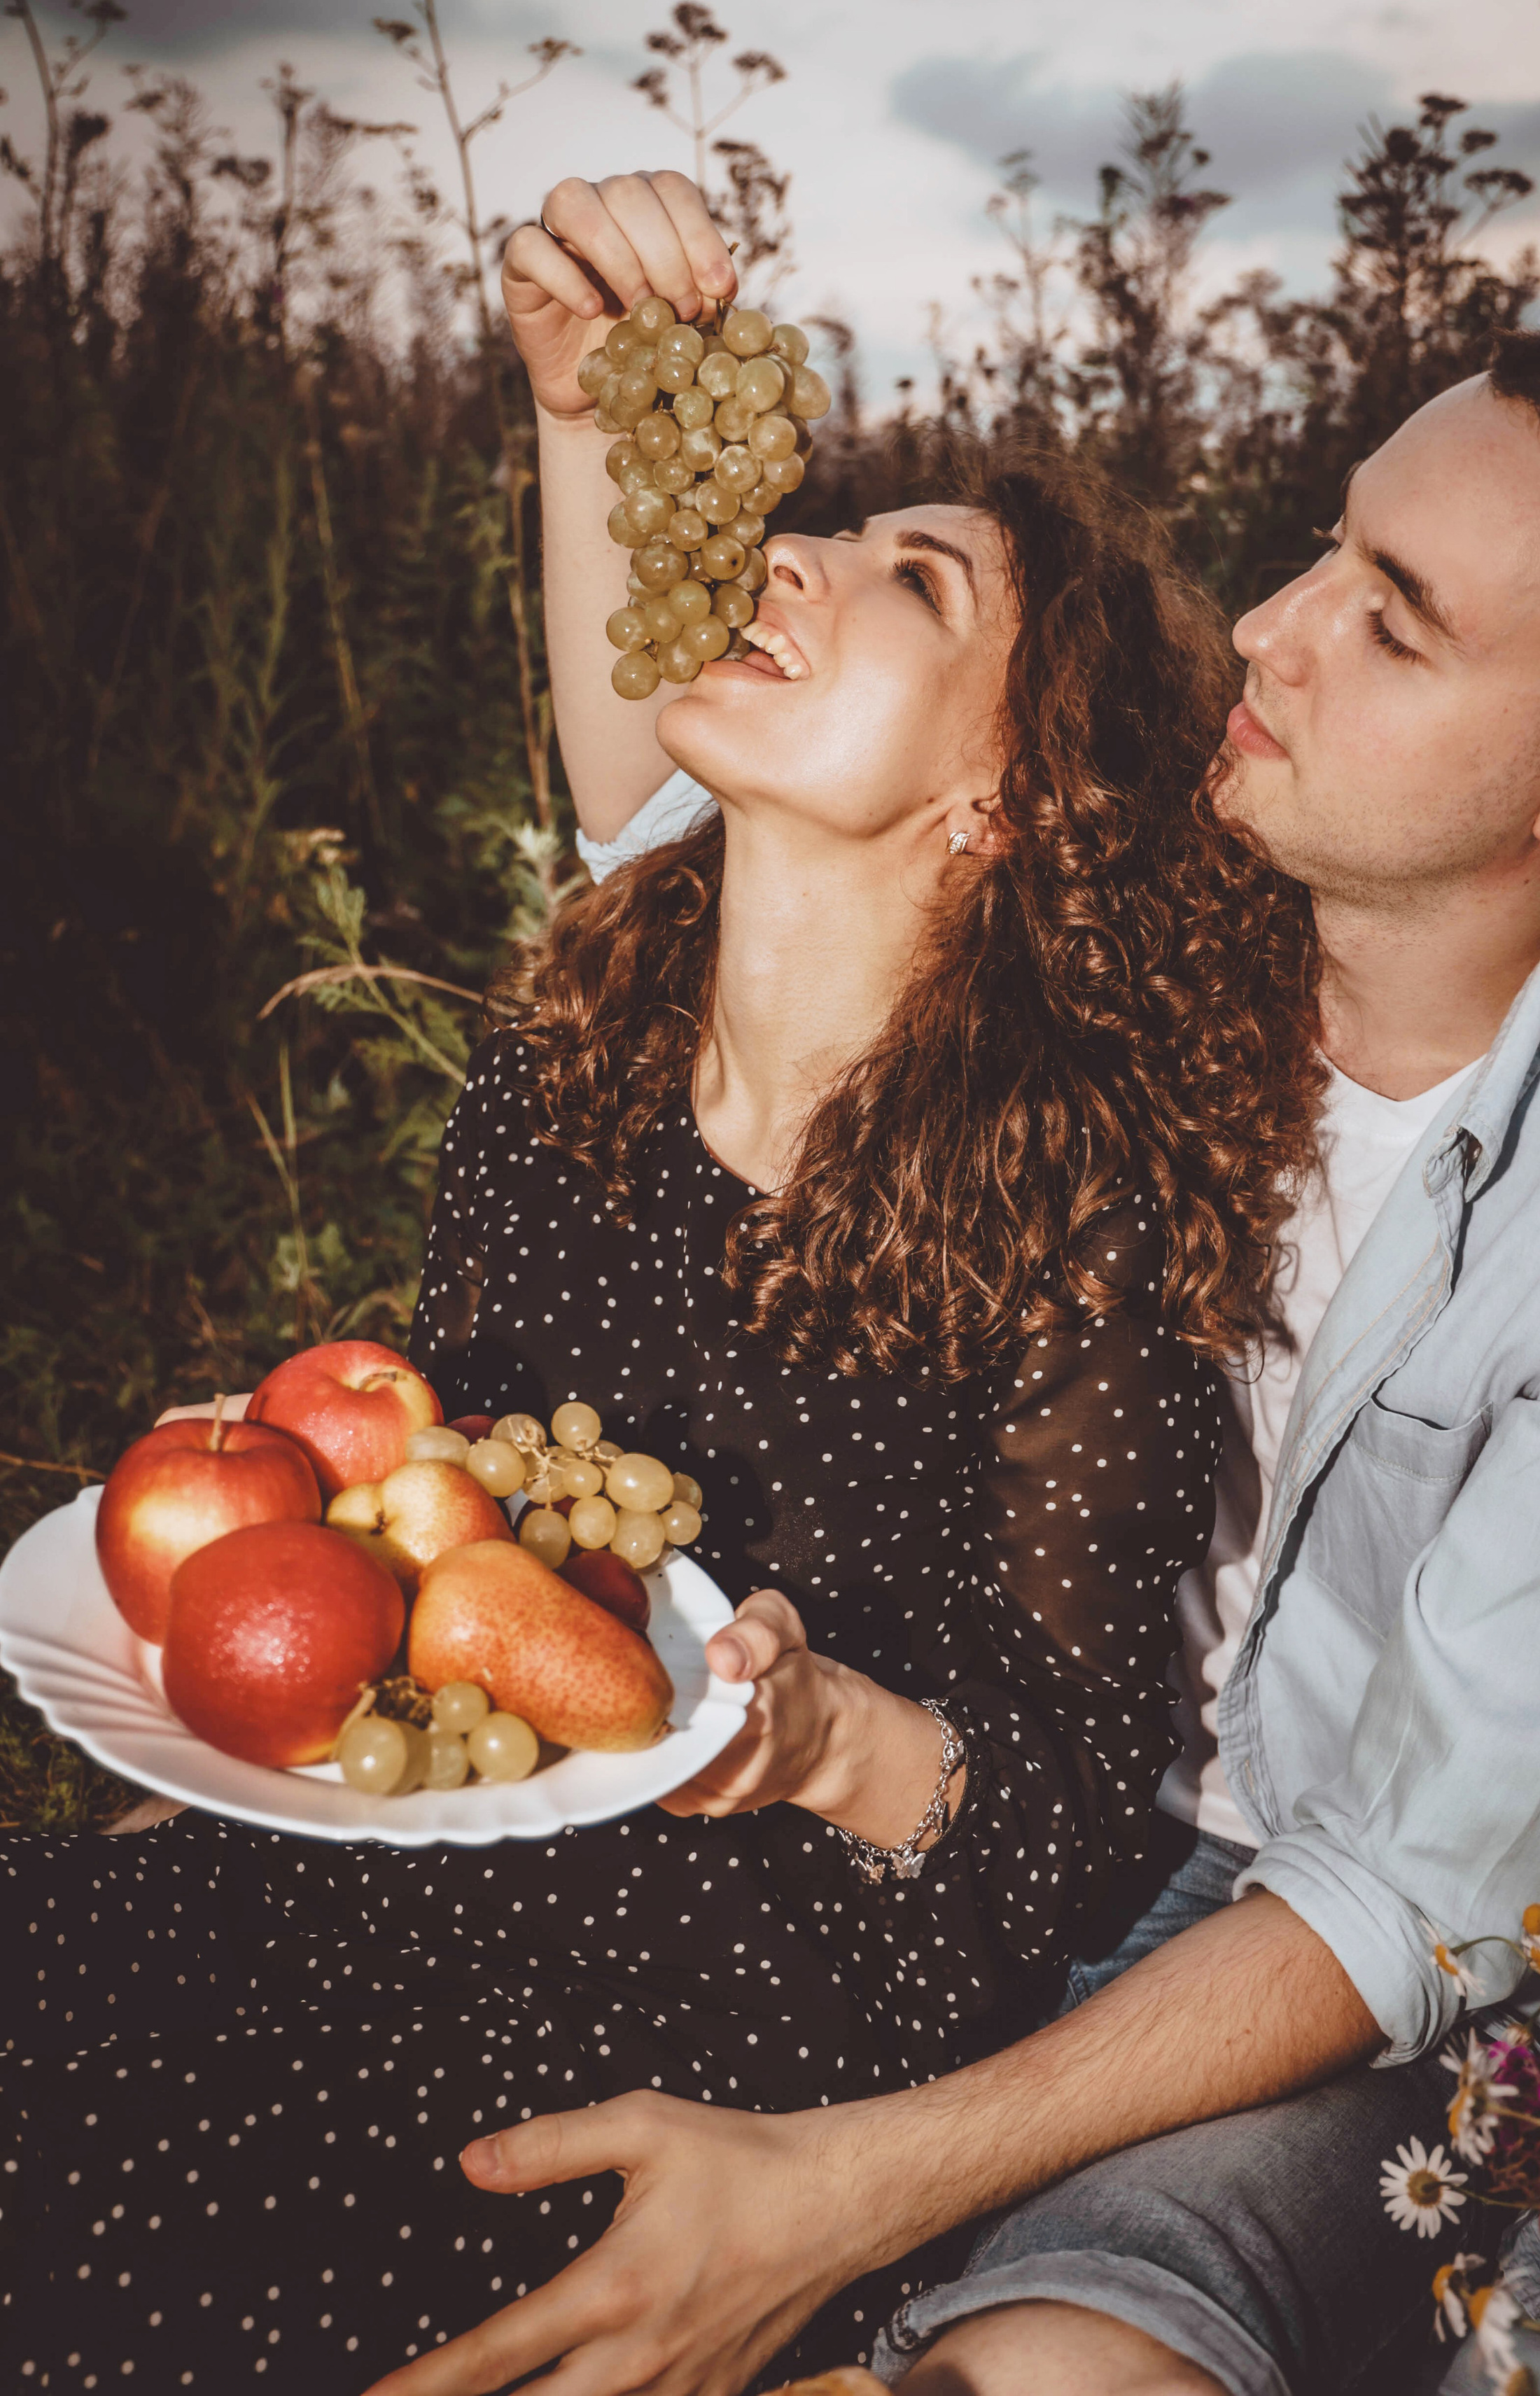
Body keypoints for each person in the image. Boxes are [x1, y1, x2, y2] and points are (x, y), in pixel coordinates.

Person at [367, 210, 1540, 2396]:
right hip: (949, 1794)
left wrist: (850, 2184)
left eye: (1393, 628)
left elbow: (1415, 1893)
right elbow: (691, 838)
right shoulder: (1184, 852)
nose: (1274, 628)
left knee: (1052, 2366)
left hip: (1282, 1932)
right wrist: (587, 427)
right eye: (1328, 548)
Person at [0, 180, 1327, 2393]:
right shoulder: (573, 1050)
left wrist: (817, 1736)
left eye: (911, 579)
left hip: (729, 2011)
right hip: (393, 1855)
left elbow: (1070, 1816)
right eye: (818, 526)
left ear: (1008, 795)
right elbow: (439, 1487)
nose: (786, 551)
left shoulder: (1066, 1216)